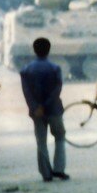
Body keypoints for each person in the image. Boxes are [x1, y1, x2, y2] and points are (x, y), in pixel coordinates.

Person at [20, 37, 68, 184]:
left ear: (34, 50)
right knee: (59, 137)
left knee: (41, 141)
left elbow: (26, 92)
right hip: (54, 109)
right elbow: (57, 90)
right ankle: (59, 169)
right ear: (49, 49)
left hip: (36, 112)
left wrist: (36, 107)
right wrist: (46, 105)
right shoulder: (55, 68)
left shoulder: (26, 70)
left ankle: (46, 174)